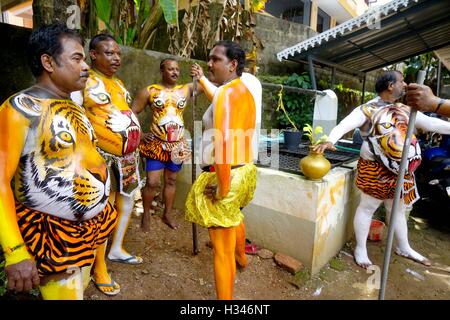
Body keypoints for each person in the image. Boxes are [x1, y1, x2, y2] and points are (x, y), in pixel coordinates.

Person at [0, 23, 118, 299]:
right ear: (48, 62)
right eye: (77, 58)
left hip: (84, 237)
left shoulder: (73, 106)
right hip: (46, 242)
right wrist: (15, 251)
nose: (86, 65)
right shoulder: (18, 109)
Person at [314, 70, 450, 269]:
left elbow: (431, 123)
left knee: (398, 208)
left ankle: (403, 247)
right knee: (368, 207)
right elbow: (344, 125)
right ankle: (361, 248)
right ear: (390, 86)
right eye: (402, 82)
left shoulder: (405, 108)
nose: (405, 85)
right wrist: (329, 140)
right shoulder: (366, 109)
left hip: (401, 171)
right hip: (375, 171)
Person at [71, 34, 144, 295]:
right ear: (93, 55)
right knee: (102, 211)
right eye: (109, 53)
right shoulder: (83, 80)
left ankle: (116, 249)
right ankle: (98, 266)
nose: (116, 58)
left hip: (127, 157)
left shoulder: (118, 82)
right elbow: (75, 118)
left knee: (125, 202)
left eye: (118, 54)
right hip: (102, 157)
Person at [185, 40, 259, 300]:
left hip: (227, 173)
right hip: (245, 170)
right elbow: (215, 98)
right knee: (236, 217)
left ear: (233, 64)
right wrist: (203, 79)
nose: (210, 62)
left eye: (215, 59)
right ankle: (242, 257)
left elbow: (224, 141)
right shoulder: (241, 91)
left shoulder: (227, 94)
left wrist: (223, 186)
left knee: (221, 252)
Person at [132, 59, 196, 231]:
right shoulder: (150, 91)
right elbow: (133, 112)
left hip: (177, 145)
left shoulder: (186, 89)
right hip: (156, 144)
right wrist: (140, 134)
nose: (175, 72)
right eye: (170, 69)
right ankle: (146, 214)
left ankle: (167, 214)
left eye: (177, 69)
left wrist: (200, 75)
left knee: (171, 180)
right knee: (152, 182)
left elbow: (208, 85)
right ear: (162, 70)